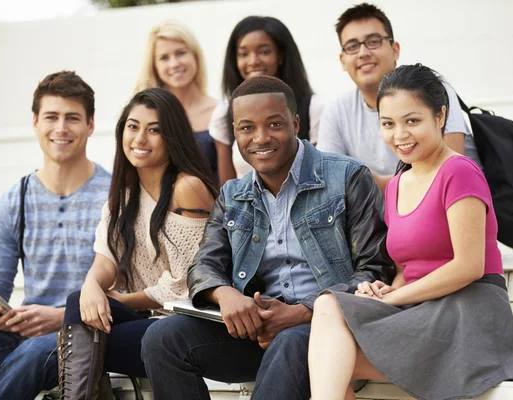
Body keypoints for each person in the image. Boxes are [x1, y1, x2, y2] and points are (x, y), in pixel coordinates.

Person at [140, 76, 395, 400]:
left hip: (330, 334)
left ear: (296, 122)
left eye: (274, 124)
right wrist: (226, 296)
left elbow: (375, 269)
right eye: (247, 128)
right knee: (161, 338)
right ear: (234, 132)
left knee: (290, 342)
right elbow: (205, 264)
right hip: (259, 333)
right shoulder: (233, 195)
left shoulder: (347, 176)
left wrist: (305, 310)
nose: (260, 138)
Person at [308, 64, 513, 400]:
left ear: (440, 116)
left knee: (331, 337)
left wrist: (394, 298)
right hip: (421, 313)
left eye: (412, 121)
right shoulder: (397, 184)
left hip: (467, 315)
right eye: (388, 124)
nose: (399, 135)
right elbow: (405, 270)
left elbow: (468, 266)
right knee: (332, 346)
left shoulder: (458, 171)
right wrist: (386, 289)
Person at [56, 87, 217, 398]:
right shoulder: (123, 195)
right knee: (79, 308)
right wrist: (92, 288)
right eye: (133, 126)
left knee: (69, 346)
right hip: (149, 322)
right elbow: (105, 261)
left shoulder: (187, 188)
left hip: (187, 327)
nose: (140, 138)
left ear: (173, 137)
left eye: (154, 130)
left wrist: (114, 300)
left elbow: (186, 284)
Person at [0, 71, 111, 399]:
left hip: (89, 334)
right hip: (24, 336)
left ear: (90, 125)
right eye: (51, 117)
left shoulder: (115, 196)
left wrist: (60, 316)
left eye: (72, 118)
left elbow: (133, 288)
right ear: (35, 122)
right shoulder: (14, 201)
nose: (60, 128)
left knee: (29, 356)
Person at [317, 3, 481, 191]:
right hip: (388, 217)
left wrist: (379, 183)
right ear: (342, 60)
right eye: (352, 46)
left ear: (395, 49)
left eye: (373, 41)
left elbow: (450, 171)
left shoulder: (430, 87)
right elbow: (330, 180)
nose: (363, 53)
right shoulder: (336, 109)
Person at [210, 16, 324, 185]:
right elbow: (228, 190)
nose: (253, 61)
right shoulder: (224, 112)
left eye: (264, 52)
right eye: (243, 54)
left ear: (281, 56)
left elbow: (319, 173)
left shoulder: (313, 107)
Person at [134, 20, 219, 182]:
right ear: (154, 66)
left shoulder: (220, 111)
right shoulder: (144, 115)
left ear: (195, 55)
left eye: (181, 53)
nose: (174, 64)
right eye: (164, 58)